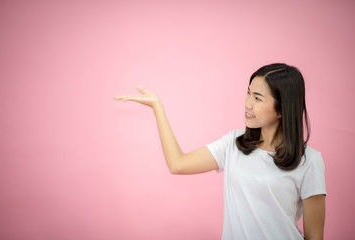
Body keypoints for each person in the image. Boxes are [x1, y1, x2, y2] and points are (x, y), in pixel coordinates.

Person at [113, 63, 326, 240]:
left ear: (281, 109)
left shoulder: (310, 161)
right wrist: (158, 107)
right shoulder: (233, 144)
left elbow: (314, 236)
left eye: (258, 98)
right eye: (248, 93)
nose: (247, 104)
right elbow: (178, 164)